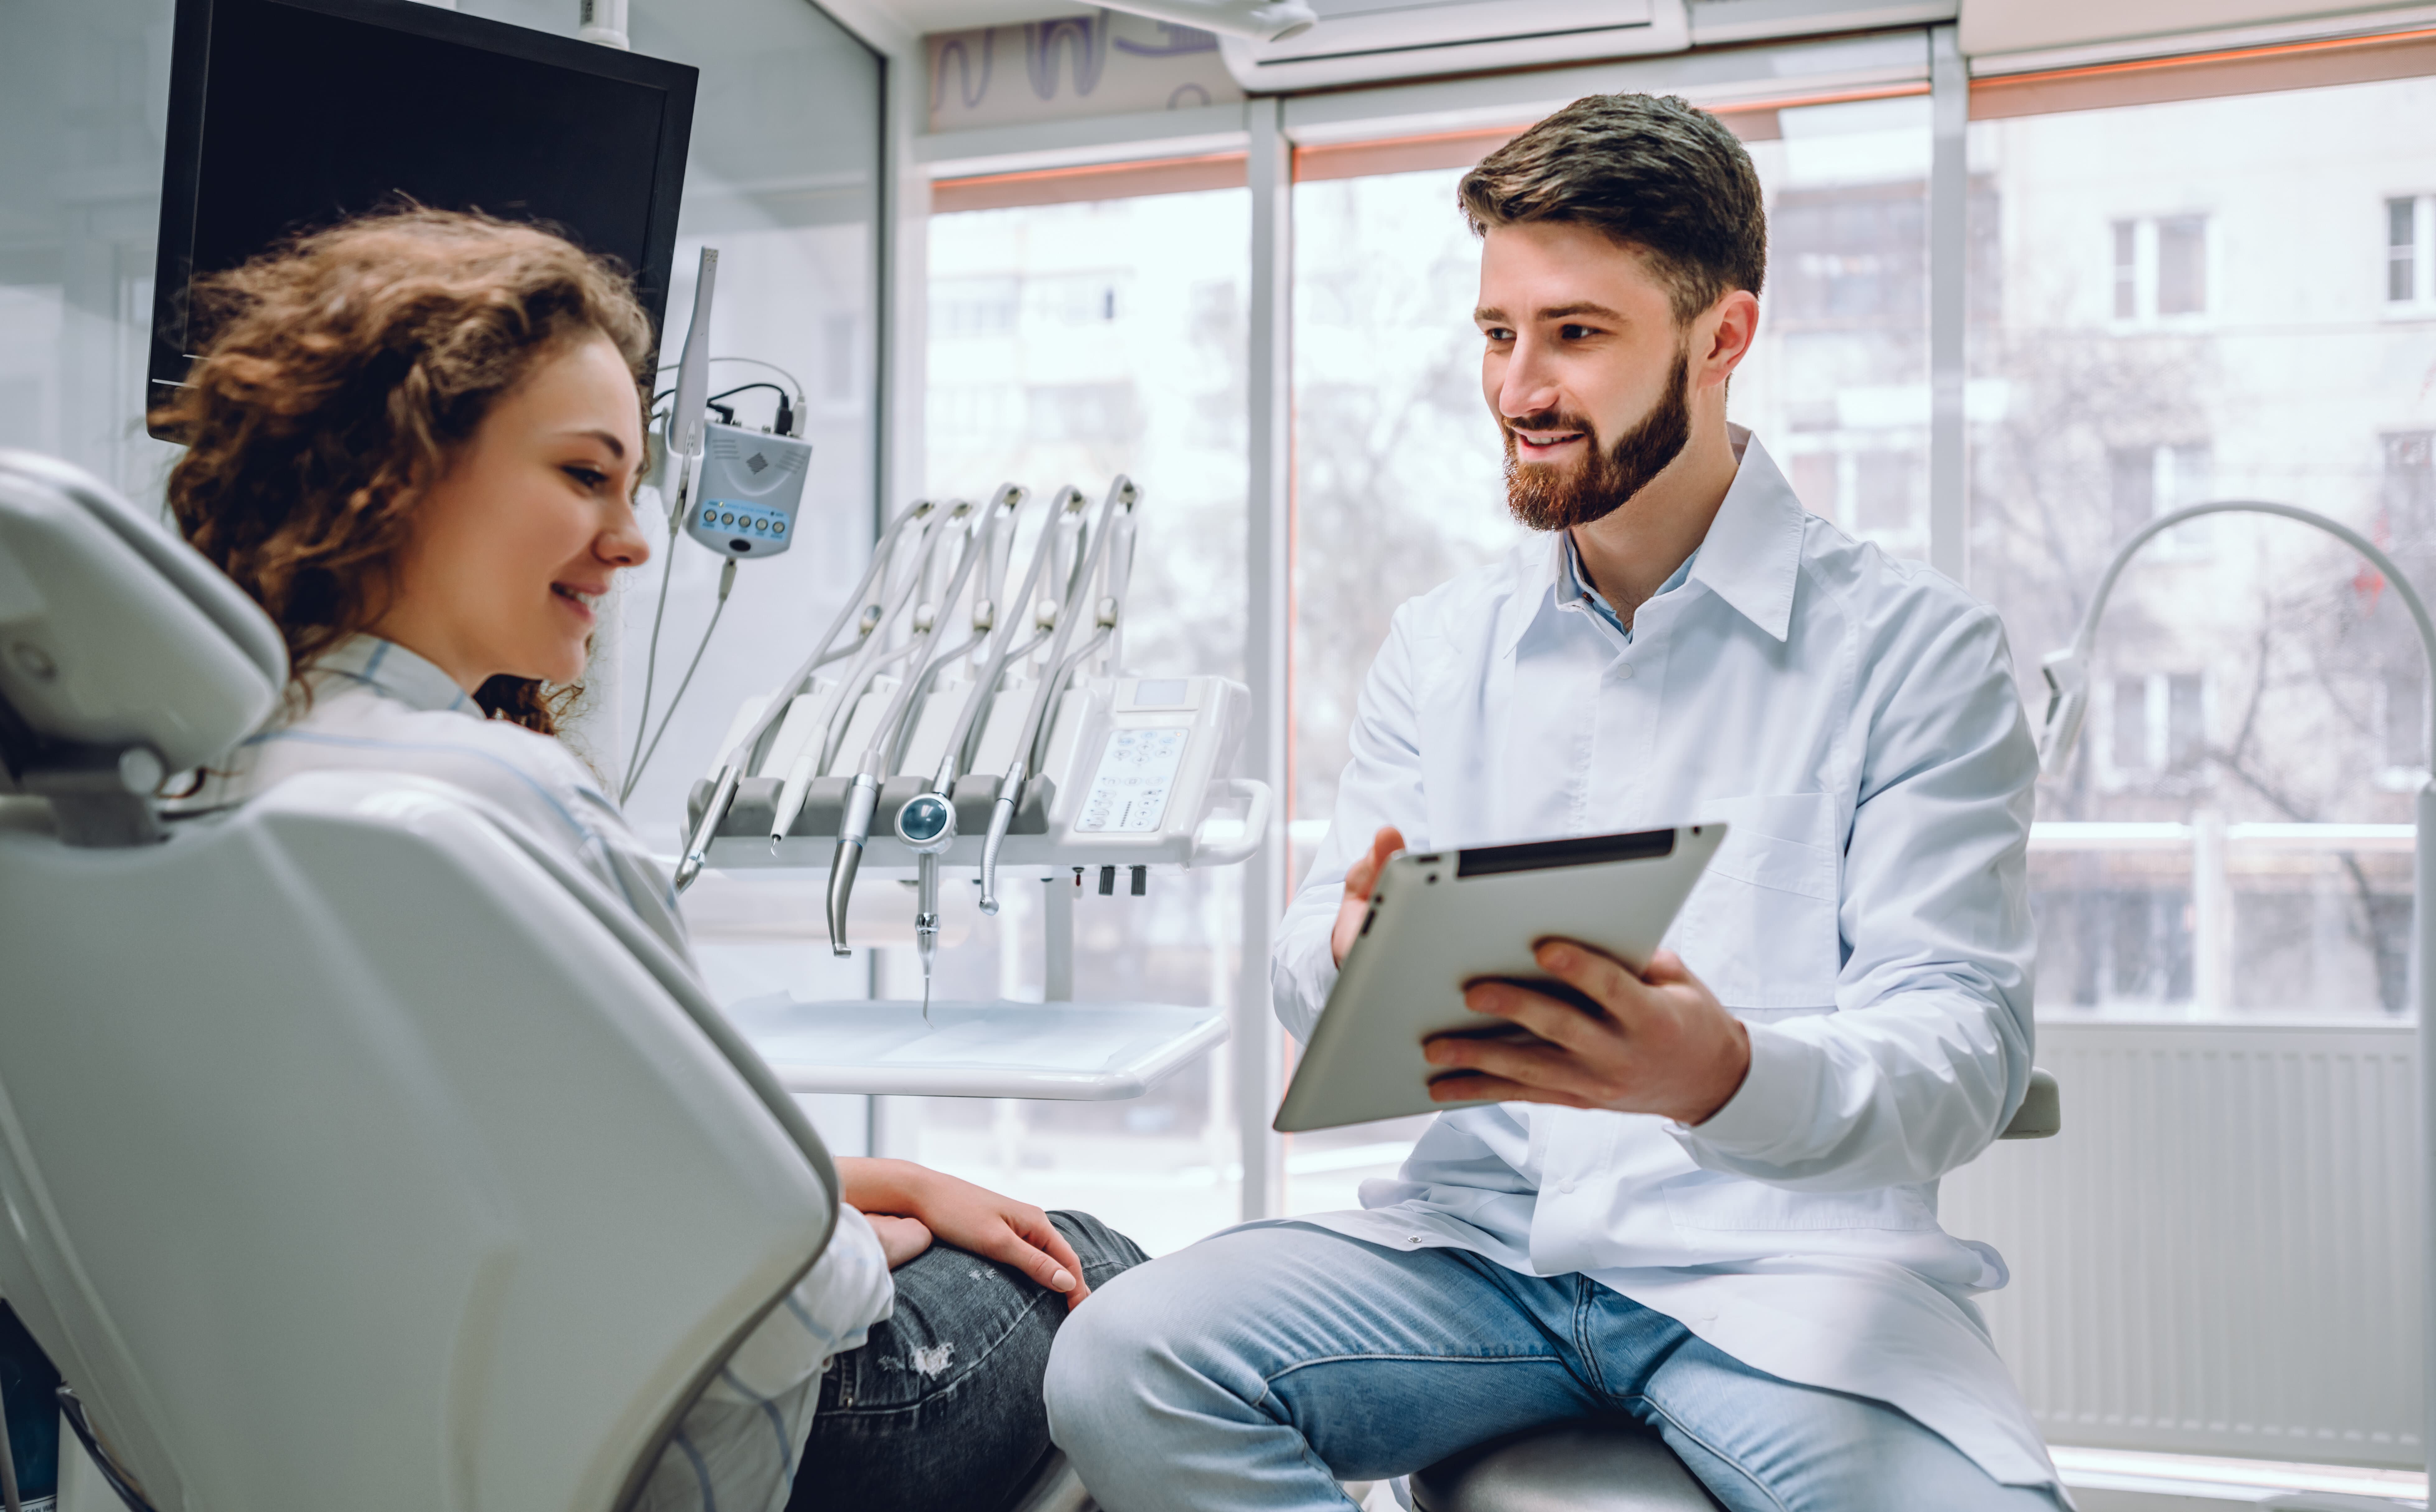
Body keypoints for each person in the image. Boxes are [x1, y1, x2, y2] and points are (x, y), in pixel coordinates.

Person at [1044, 94, 2062, 1511]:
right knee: (1120, 1362)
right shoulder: (1439, 643)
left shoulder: (1916, 650)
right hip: (1484, 1259)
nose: (1520, 386)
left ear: (1720, 339)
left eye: (1575, 334)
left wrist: (1715, 1074)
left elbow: (1962, 1051)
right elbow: (1301, 957)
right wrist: (1347, 953)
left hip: (1782, 1276)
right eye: (1496, 333)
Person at [152, 207, 1146, 1512]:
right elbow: (801, 1300)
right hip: (662, 1455)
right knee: (1103, 1268)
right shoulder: (497, 803)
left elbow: (465, 1162)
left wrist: (864, 1181)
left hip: (330, 1447)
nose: (630, 541)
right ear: (395, 465)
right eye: (583, 476)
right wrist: (858, 1233)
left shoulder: (178, 802)